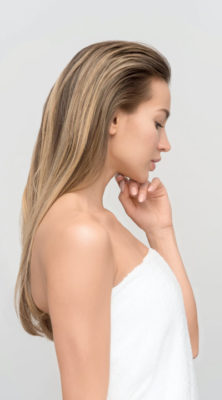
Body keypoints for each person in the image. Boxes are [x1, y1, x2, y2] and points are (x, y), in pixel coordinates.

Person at [14, 40, 201, 399]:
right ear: (113, 118)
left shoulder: (97, 224)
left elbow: (187, 344)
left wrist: (160, 231)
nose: (165, 143)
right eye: (158, 123)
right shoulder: (80, 235)